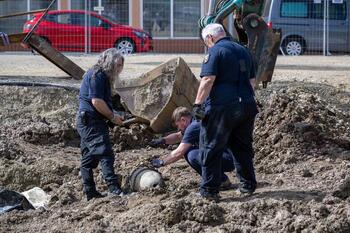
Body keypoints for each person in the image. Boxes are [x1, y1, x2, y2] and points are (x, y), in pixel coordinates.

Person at [193, 23, 258, 200]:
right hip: (246, 105)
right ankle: (248, 185)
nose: (207, 45)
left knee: (211, 147)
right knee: (242, 147)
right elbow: (252, 82)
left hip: (222, 108)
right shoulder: (243, 51)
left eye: (205, 41)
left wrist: (197, 105)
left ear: (210, 38)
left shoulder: (215, 52)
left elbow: (207, 79)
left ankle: (209, 191)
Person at [76, 48, 125, 201]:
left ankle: (90, 192)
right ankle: (114, 189)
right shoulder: (97, 75)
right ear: (109, 63)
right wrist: (112, 117)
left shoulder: (100, 75)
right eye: (117, 65)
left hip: (89, 121)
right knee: (105, 154)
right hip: (91, 121)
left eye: (121, 66)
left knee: (89, 159)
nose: (120, 69)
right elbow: (96, 101)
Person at [150, 107, 234, 189]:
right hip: (227, 156)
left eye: (178, 125)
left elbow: (179, 152)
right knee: (193, 151)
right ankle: (222, 179)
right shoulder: (196, 121)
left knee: (191, 154)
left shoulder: (193, 127)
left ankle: (220, 181)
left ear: (183, 120)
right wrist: (163, 140)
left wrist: (161, 162)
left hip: (226, 159)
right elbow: (178, 136)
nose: (178, 128)